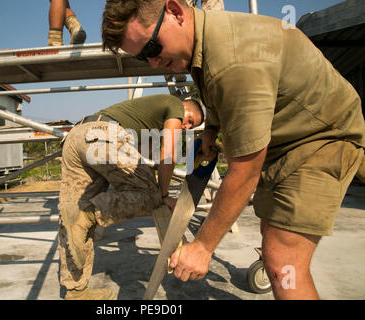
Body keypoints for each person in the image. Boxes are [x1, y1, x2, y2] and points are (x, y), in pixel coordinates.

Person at [101, 0, 365, 299]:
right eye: (142, 59)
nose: (152, 62)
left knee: (283, 262)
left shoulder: (233, 60)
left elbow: (245, 172)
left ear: (175, 12)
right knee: (273, 244)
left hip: (321, 137)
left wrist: (202, 246)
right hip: (285, 140)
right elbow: (219, 98)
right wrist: (211, 130)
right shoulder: (203, 46)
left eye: (151, 48)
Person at [59, 94, 204, 300]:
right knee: (149, 196)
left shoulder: (146, 123)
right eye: (190, 120)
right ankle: (88, 215)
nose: (187, 127)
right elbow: (168, 153)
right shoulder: (174, 104)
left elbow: (145, 165)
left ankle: (76, 292)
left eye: (192, 126)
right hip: (102, 135)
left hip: (76, 137)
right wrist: (162, 195)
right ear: (184, 107)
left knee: (70, 217)